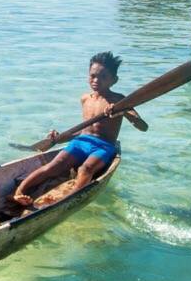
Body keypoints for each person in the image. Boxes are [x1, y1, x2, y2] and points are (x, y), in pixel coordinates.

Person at [12, 51, 148, 210]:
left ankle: (65, 202)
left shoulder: (119, 101)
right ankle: (18, 193)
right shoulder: (85, 99)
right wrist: (58, 138)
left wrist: (124, 112)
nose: (96, 80)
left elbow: (143, 127)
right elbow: (83, 131)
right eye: (93, 76)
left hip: (103, 147)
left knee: (86, 169)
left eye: (103, 77)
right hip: (80, 142)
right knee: (52, 167)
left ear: (114, 80)